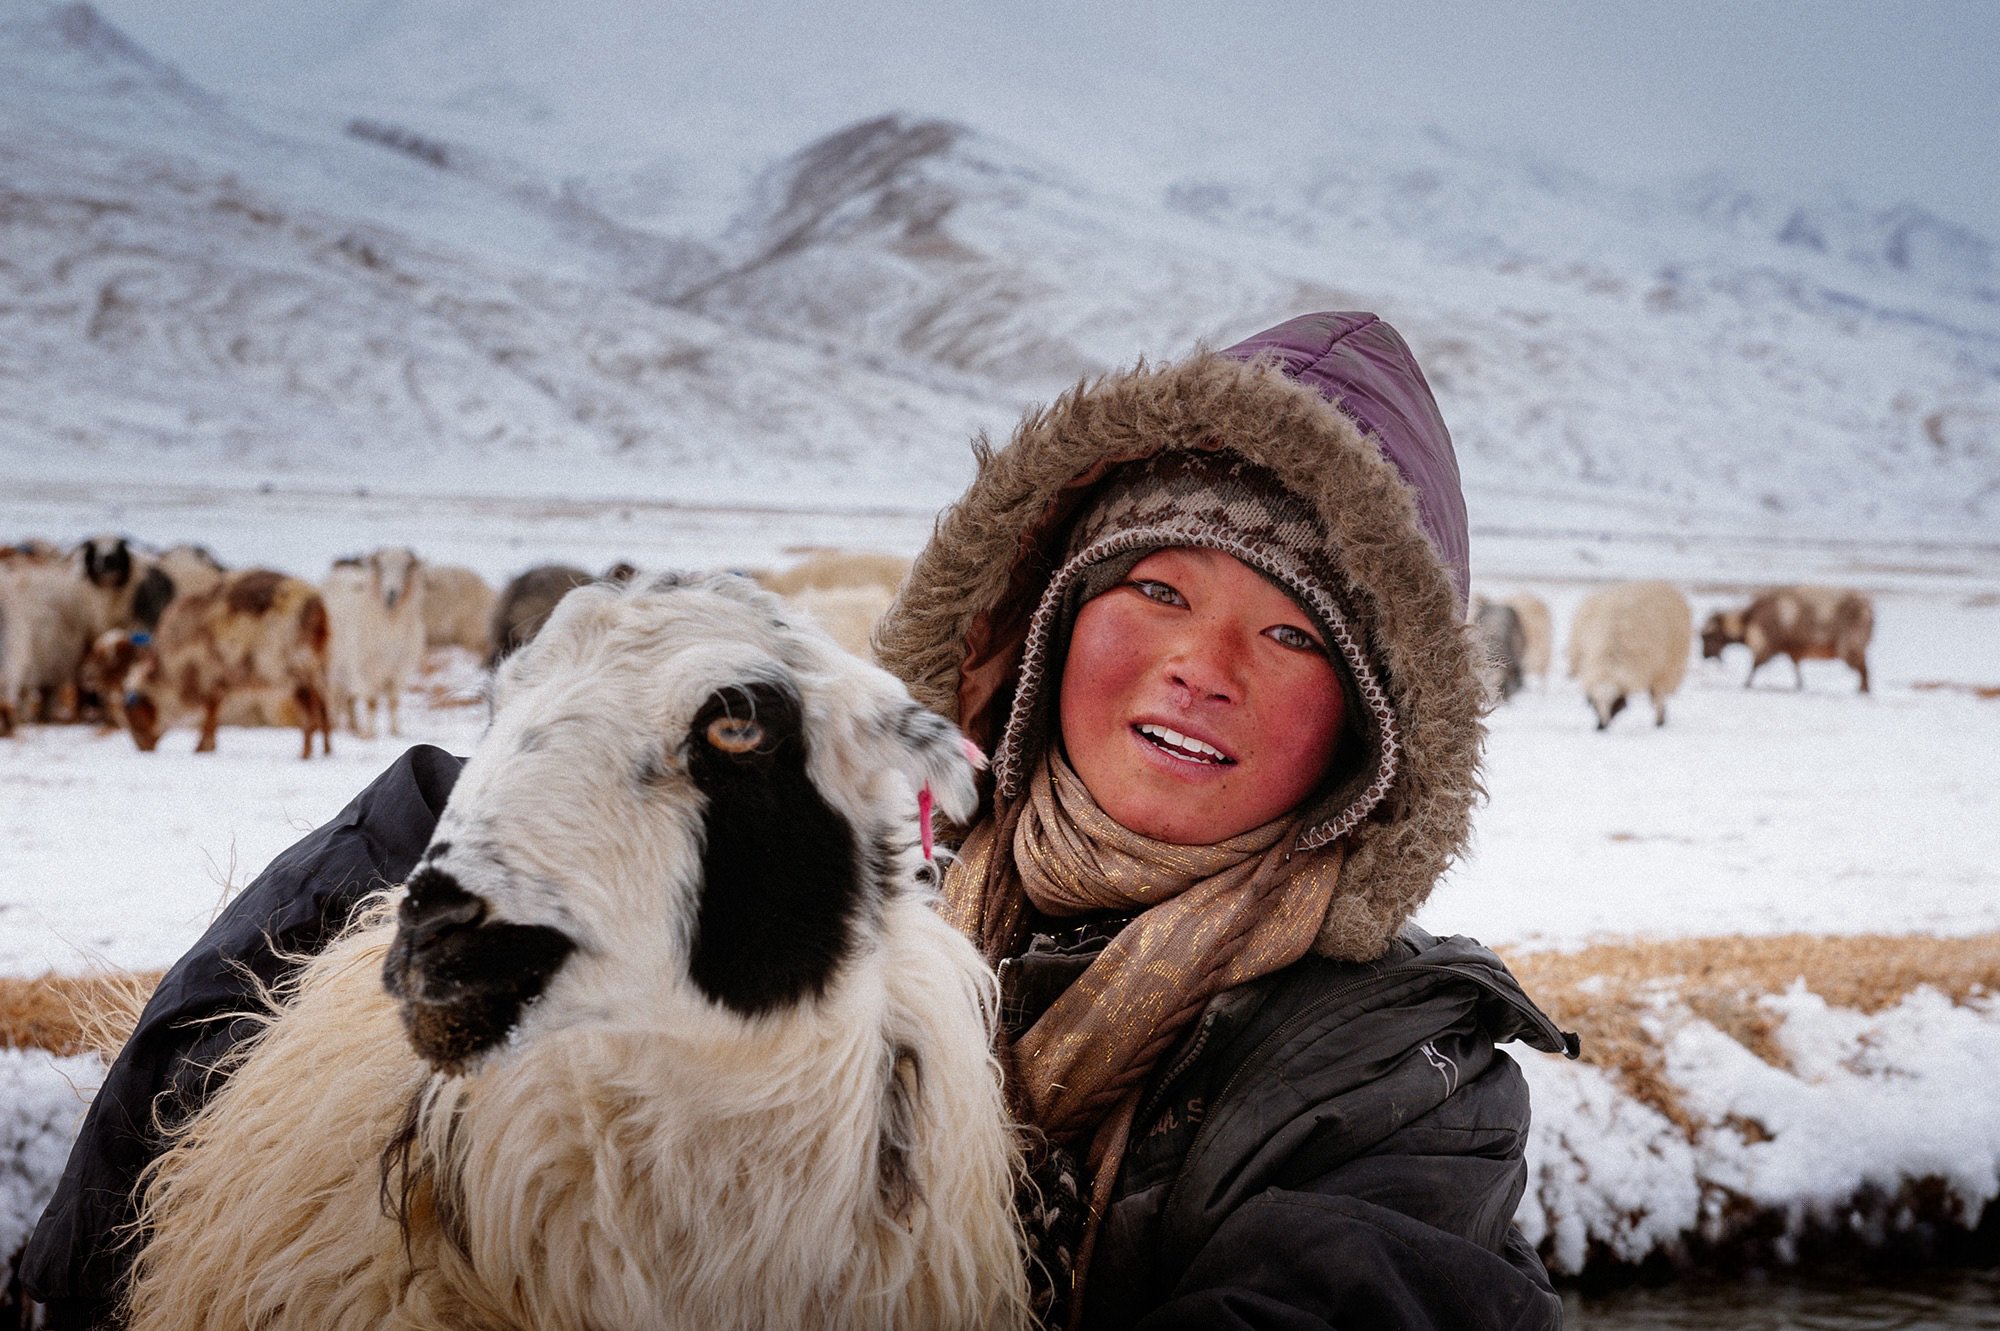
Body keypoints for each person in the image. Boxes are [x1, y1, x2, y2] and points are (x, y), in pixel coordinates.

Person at [24, 311, 1576, 1329]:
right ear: (1043, 627)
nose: (1201, 662)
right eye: (1155, 588)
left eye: (1295, 635)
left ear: (1375, 733)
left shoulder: (1401, 1096)